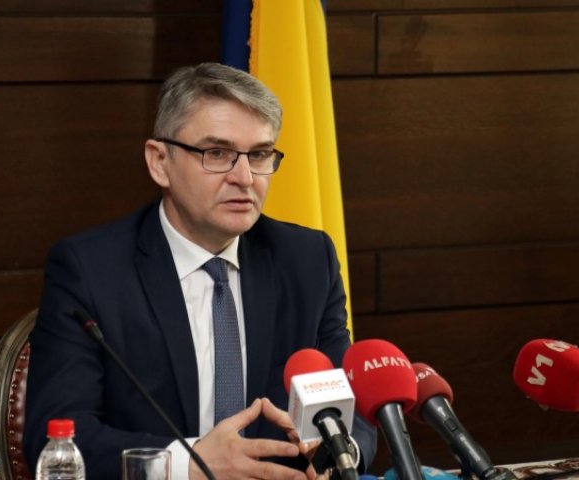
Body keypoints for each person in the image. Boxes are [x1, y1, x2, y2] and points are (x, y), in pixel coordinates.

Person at [24, 62, 377, 480]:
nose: (244, 178)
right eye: (218, 154)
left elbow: (352, 409)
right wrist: (188, 463)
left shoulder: (307, 260)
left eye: (259, 154)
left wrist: (337, 457)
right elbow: (57, 440)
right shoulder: (90, 271)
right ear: (160, 162)